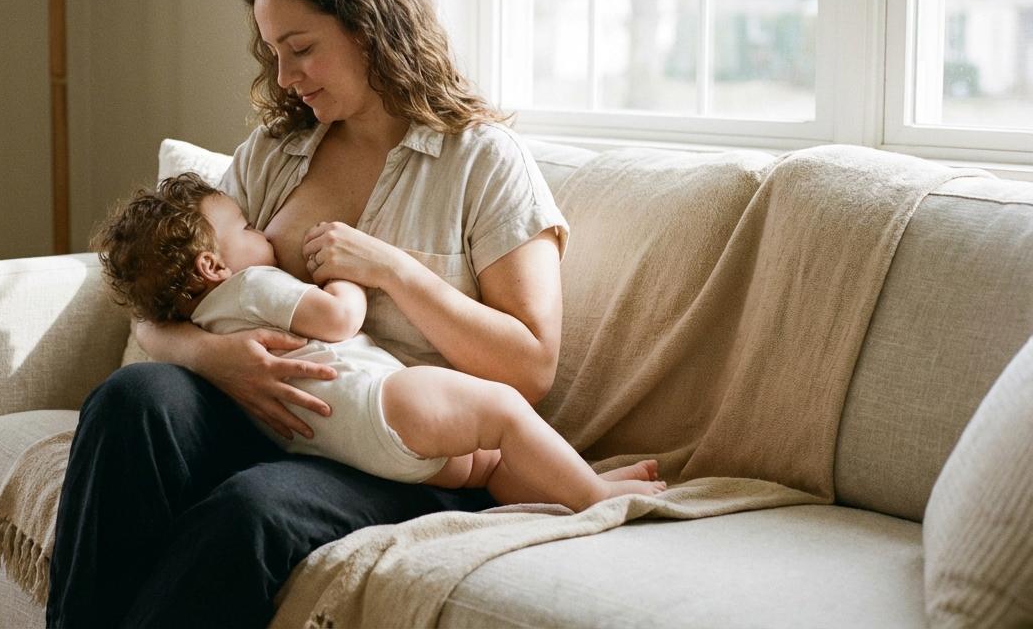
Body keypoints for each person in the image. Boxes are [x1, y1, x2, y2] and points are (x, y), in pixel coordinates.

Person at [49, 0, 577, 628]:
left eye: (301, 49)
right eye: (274, 54)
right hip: (269, 420)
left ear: (368, 26)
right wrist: (218, 356)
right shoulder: (275, 154)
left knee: (250, 511)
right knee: (130, 399)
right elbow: (160, 303)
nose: (287, 78)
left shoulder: (482, 162)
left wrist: (393, 271)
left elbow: (531, 366)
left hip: (404, 452)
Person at [95, 173, 666, 506]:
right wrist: (349, 272)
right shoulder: (254, 285)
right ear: (213, 266)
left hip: (337, 443)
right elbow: (339, 320)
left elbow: (150, 320)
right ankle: (594, 496)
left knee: (489, 462)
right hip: (381, 404)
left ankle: (579, 486)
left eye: (300, 47)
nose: (260, 230)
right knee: (500, 412)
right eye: (246, 228)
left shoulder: (203, 313)